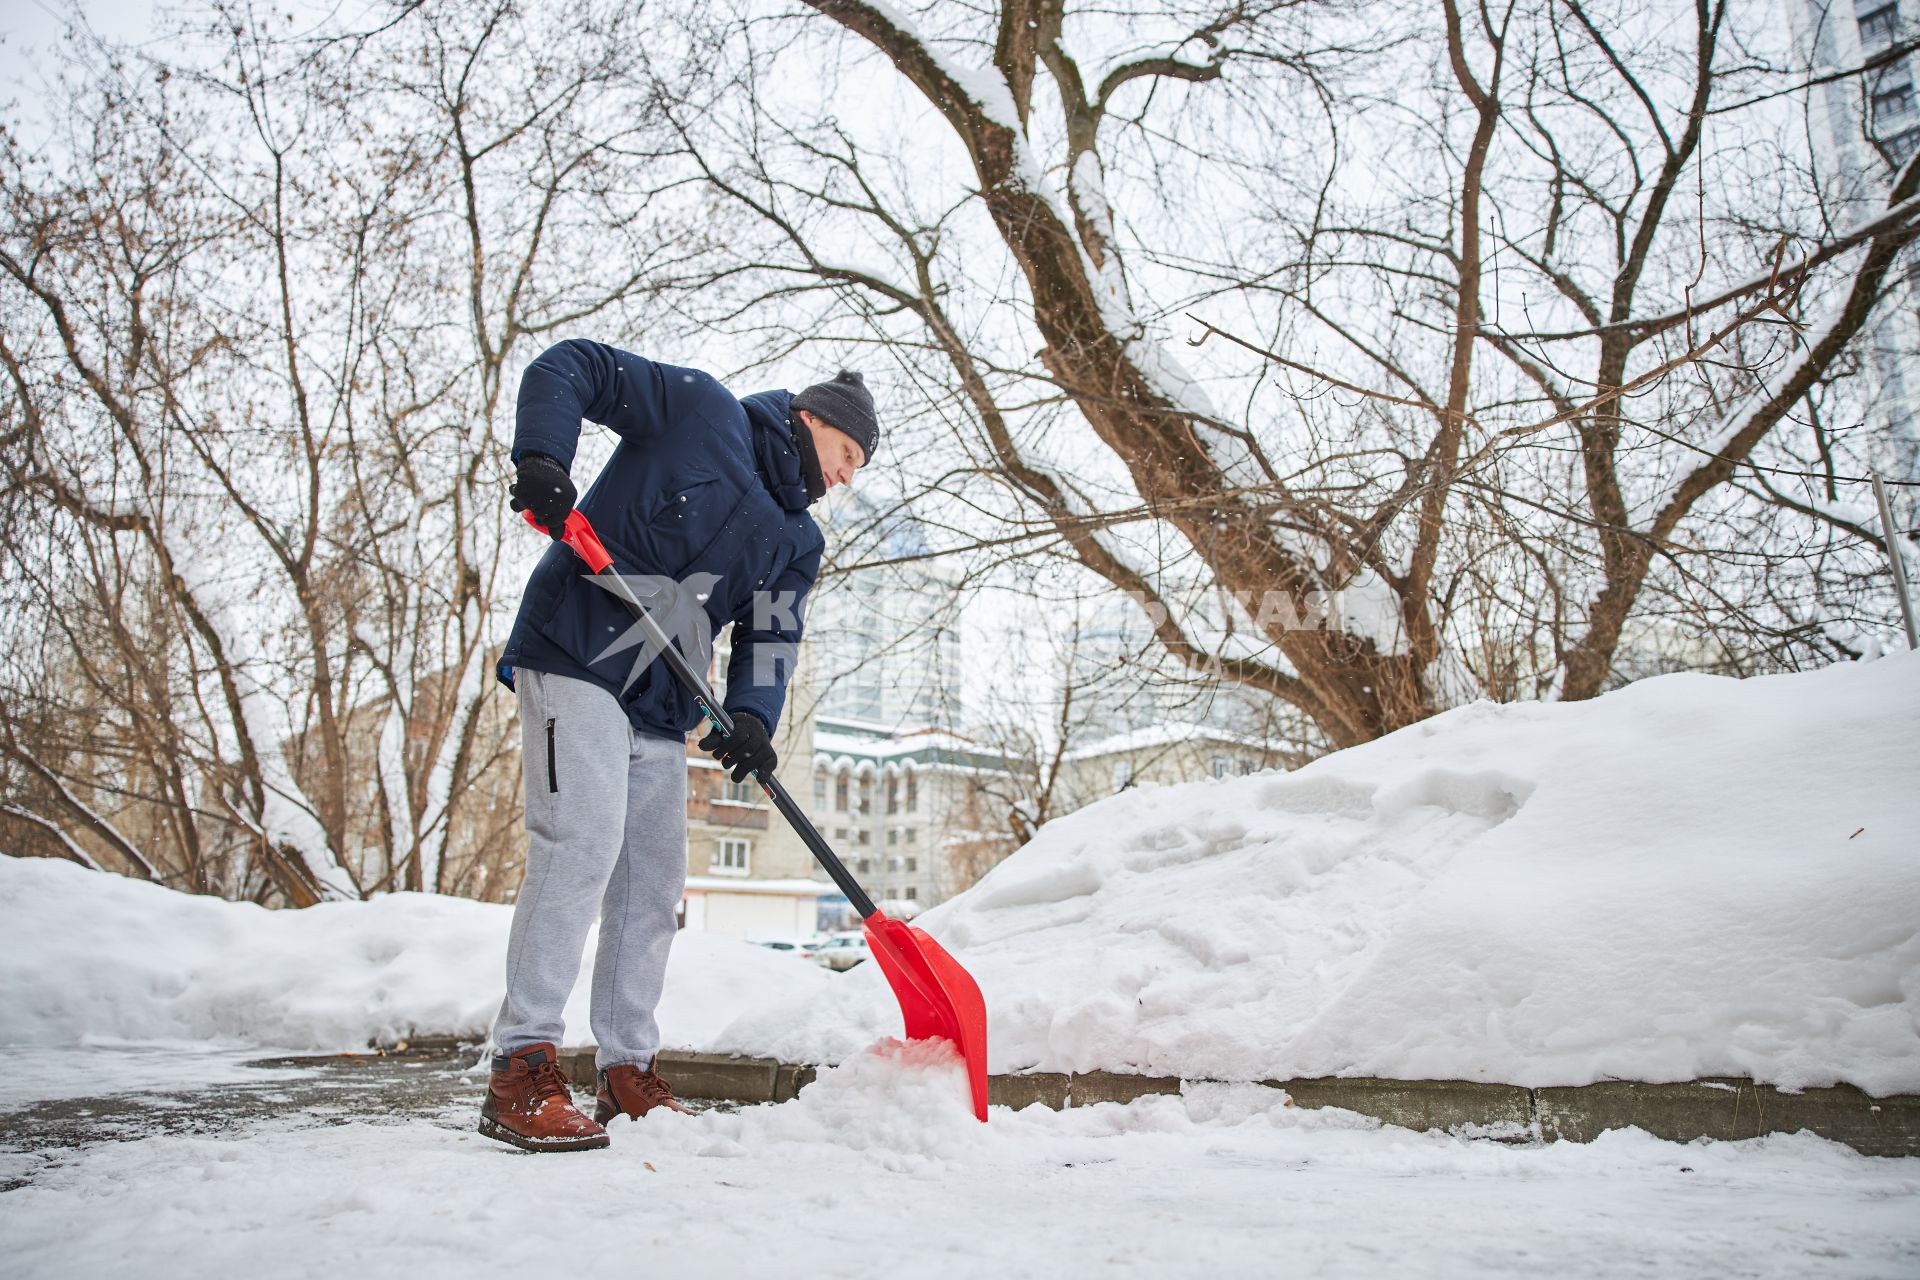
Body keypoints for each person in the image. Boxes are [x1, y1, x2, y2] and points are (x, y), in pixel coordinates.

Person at [478, 339, 878, 1152]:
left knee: (652, 888)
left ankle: (628, 1071)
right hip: (578, 647)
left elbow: (771, 637)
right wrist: (545, 458)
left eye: (856, 468)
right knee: (580, 844)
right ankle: (519, 1067)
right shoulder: (701, 411)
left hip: (660, 705)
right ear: (809, 421)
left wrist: (754, 718)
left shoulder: (797, 540)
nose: (844, 477)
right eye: (845, 455)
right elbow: (570, 368)